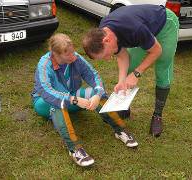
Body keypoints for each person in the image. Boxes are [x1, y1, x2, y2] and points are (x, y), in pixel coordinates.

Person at [31, 33, 138, 167]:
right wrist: (74, 100)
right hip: (44, 103)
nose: (73, 56)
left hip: (72, 96)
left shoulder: (76, 58)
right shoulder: (44, 65)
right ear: (55, 54)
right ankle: (74, 149)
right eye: (68, 54)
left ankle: (120, 130)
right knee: (58, 104)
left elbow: (93, 75)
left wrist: (98, 94)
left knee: (95, 92)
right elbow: (47, 92)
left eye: (73, 51)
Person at [83, 4, 179, 137]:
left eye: (105, 55)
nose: (106, 59)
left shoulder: (134, 29)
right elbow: (122, 55)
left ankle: (157, 115)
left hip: (165, 23)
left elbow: (156, 51)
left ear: (107, 40)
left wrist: (137, 74)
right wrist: (122, 80)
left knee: (163, 67)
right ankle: (124, 108)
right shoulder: (104, 31)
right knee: (130, 67)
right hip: (143, 30)